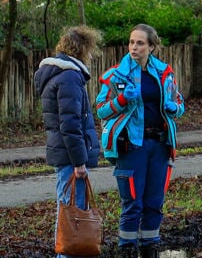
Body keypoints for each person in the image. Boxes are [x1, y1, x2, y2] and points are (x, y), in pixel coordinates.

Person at [96, 24, 184, 258]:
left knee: (154, 202)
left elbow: (179, 103)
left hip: (160, 145)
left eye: (140, 43)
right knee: (132, 203)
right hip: (131, 145)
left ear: (152, 47)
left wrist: (174, 107)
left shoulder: (165, 72)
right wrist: (123, 99)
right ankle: (126, 250)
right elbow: (101, 111)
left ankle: (150, 249)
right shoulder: (116, 75)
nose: (134, 47)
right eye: (131, 42)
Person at [33, 25, 104, 258]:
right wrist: (79, 161)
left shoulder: (59, 74)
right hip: (69, 156)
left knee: (67, 208)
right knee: (70, 211)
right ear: (81, 49)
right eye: (91, 50)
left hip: (63, 154)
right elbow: (70, 124)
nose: (92, 55)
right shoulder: (70, 77)